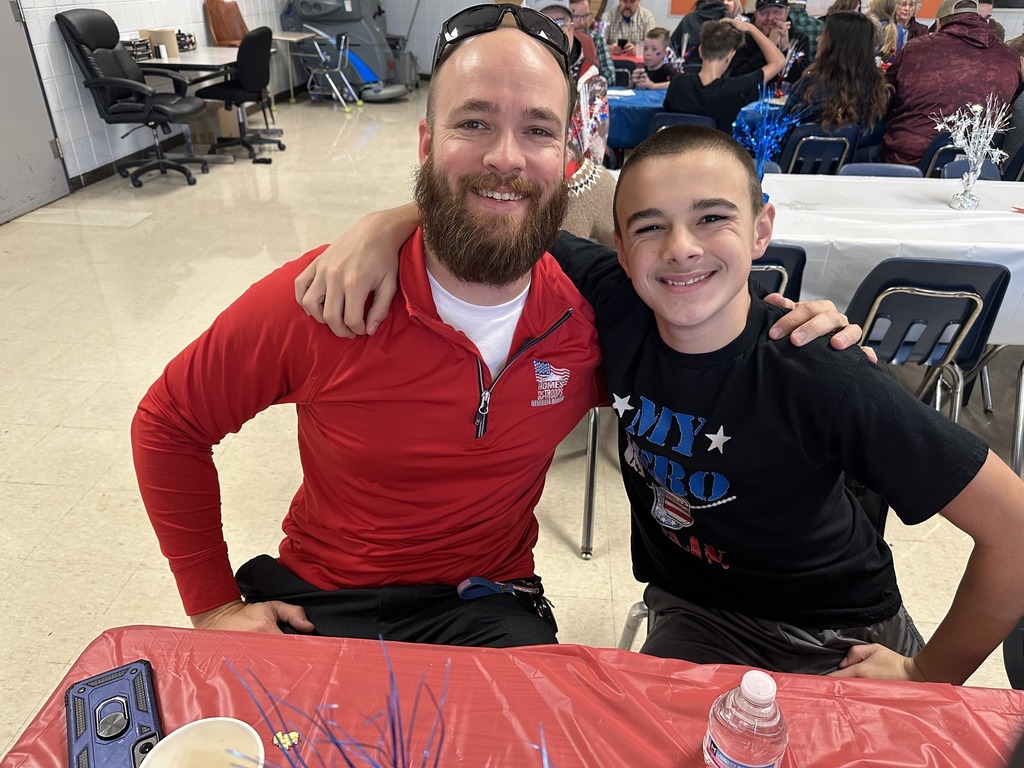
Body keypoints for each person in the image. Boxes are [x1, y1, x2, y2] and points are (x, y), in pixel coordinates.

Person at [135, 4, 856, 648]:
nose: (506, 156)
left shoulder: (597, 312)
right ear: (425, 144)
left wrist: (791, 328)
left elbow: (706, 329)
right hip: (325, 601)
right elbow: (169, 422)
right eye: (474, 123)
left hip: (488, 607)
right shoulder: (332, 295)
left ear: (566, 158)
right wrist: (213, 606)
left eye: (536, 130)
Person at [295, 125, 1024, 684]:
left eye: (713, 218)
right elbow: (496, 220)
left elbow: (1014, 531)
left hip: (836, 633)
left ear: (762, 228)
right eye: (650, 226)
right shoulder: (614, 301)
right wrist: (387, 224)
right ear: (619, 243)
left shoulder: (819, 371)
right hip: (694, 614)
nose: (680, 248)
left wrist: (930, 677)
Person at [881, 0, 1023, 167]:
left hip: (909, 161)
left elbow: (886, 99)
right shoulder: (1010, 58)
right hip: (976, 165)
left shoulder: (915, 49)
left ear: (939, 23)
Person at [523, 0, 615, 246]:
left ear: (573, 27)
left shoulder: (592, 83)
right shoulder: (519, 73)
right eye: (546, 22)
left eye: (561, 22)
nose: (555, 29)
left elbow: (594, 148)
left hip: (573, 174)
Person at [784, 12, 891, 156]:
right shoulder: (879, 91)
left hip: (799, 169)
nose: (817, 39)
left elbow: (781, 132)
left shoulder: (809, 87)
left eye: (823, 35)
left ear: (836, 45)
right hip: (854, 172)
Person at [664, 18, 785, 132]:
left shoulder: (678, 83)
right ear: (730, 56)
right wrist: (751, 28)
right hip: (716, 153)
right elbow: (779, 61)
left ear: (700, 51)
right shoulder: (735, 89)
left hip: (677, 151)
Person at [727, 0, 811, 85]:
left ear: (787, 11)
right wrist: (769, 45)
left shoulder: (798, 38)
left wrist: (786, 50)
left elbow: (801, 80)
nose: (770, 18)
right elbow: (738, 79)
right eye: (763, 13)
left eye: (777, 13)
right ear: (755, 13)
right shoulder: (741, 37)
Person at [571, 0, 615, 83]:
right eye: (576, 17)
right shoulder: (560, 41)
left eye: (586, 16)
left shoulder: (597, 39)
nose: (582, 22)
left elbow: (610, 77)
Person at [868, 0, 908, 65]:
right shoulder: (901, 31)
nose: (865, 11)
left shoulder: (870, 28)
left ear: (875, 11)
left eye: (867, 7)